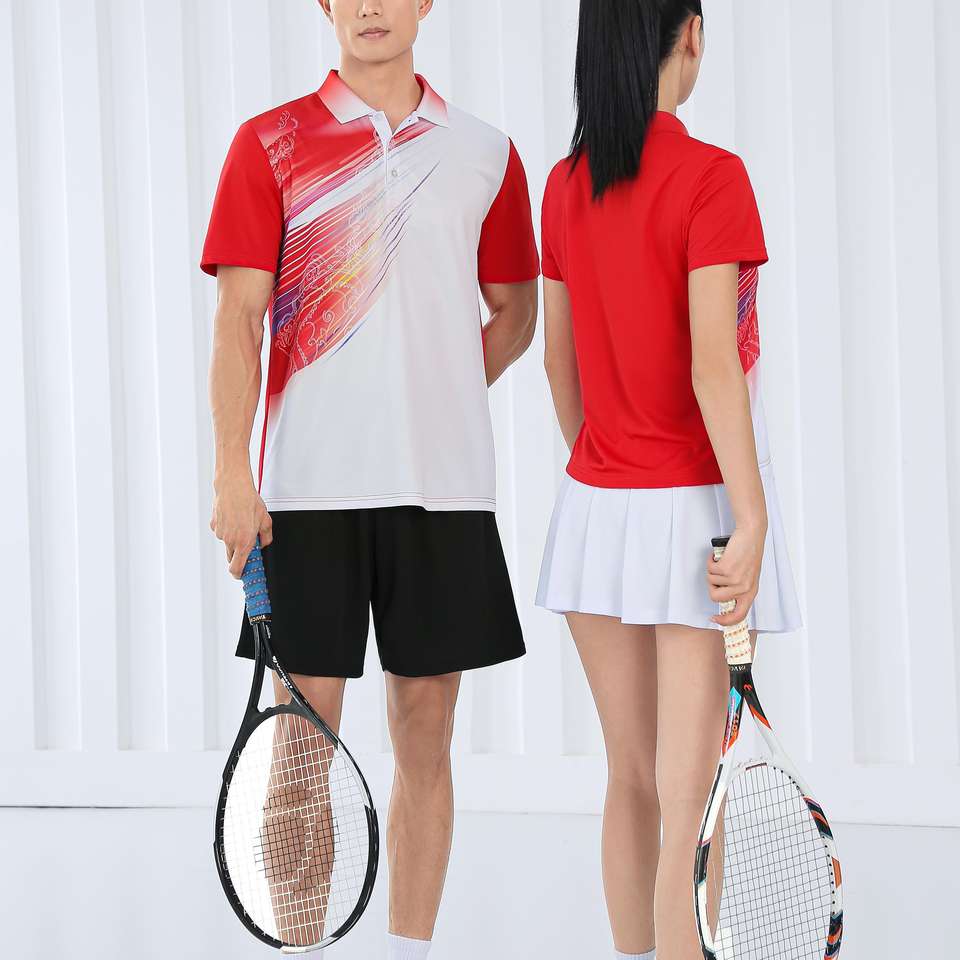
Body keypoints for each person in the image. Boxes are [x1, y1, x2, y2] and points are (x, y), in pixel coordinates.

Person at [200, 1, 540, 957]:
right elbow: (237, 321)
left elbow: (516, 312)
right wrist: (231, 475)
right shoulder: (269, 144)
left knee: (426, 737)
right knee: (301, 746)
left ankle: (406, 949)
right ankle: (303, 946)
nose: (369, 6)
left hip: (444, 492)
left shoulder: (485, 152)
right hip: (307, 494)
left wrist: (430, 392)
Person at [535, 3, 802, 958]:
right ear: (690, 33)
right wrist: (752, 518)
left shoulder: (564, 184)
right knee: (692, 798)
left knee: (633, 779)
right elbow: (713, 367)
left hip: (593, 514)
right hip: (693, 513)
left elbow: (559, 365)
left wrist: (608, 466)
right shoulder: (712, 177)